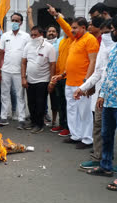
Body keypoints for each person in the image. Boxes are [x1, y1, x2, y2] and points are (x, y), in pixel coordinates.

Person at [86, 13, 117, 191]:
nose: (111, 34)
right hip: (108, 101)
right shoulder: (115, 49)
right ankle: (105, 166)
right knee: (106, 136)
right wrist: (101, 94)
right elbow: (108, 75)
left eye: (114, 30)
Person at [73, 19, 116, 169]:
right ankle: (100, 158)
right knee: (99, 128)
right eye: (103, 33)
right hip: (101, 95)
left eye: (108, 33)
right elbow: (99, 73)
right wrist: (83, 87)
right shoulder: (103, 46)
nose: (105, 36)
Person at [52, 17, 99, 149]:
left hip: (82, 83)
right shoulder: (75, 41)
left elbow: (93, 62)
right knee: (72, 110)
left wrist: (87, 82)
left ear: (83, 28)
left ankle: (87, 139)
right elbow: (72, 63)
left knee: (84, 112)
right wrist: (61, 75)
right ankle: (75, 135)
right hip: (69, 81)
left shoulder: (90, 40)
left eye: (74, 28)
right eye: (71, 28)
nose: (72, 30)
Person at [0, 12, 31, 128]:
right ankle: (3, 117)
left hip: (19, 71)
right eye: (13, 20)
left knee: (20, 95)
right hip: (6, 70)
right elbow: (0, 54)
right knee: (4, 94)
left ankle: (21, 119)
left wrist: (25, 73)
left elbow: (28, 55)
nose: (14, 23)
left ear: (21, 23)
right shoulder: (5, 35)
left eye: (17, 21)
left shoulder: (26, 36)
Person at [21, 26, 56, 133]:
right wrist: (23, 78)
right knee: (31, 103)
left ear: (42, 35)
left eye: (35, 35)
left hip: (43, 80)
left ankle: (39, 124)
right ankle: (33, 121)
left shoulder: (49, 47)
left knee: (40, 103)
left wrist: (51, 82)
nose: (33, 37)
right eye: (32, 35)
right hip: (29, 80)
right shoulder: (28, 46)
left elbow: (52, 65)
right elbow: (23, 62)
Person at [46, 4, 74, 137]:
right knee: (60, 102)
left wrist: (56, 15)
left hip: (69, 77)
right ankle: (62, 124)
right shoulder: (62, 41)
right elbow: (58, 59)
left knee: (68, 104)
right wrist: (55, 76)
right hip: (60, 76)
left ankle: (68, 126)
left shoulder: (73, 39)